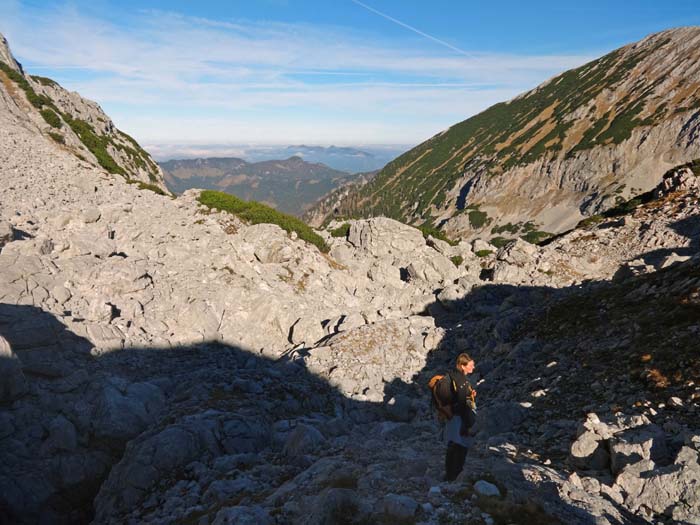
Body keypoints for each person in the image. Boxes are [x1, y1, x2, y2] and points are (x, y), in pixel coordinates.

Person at [444, 352, 476, 482]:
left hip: (451, 416)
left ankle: (448, 474)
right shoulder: (462, 381)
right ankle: (454, 476)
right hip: (459, 418)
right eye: (470, 365)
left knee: (452, 444)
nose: (473, 368)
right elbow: (463, 403)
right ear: (463, 366)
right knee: (461, 447)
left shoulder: (452, 376)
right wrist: (467, 424)